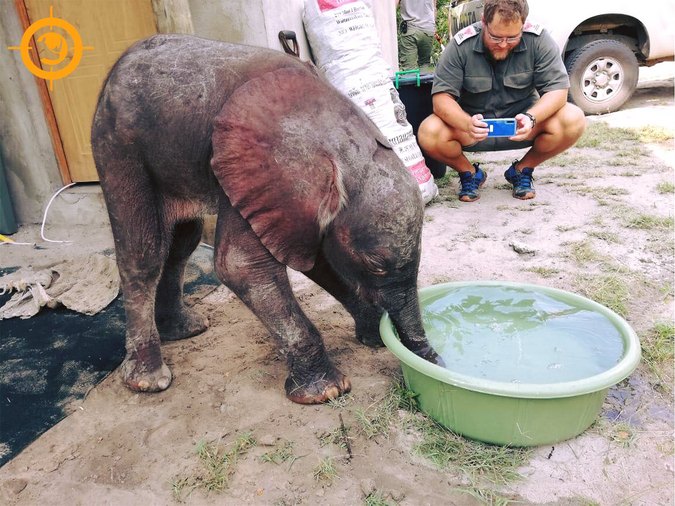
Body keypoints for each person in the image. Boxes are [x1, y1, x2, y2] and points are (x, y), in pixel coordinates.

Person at [418, 0, 586, 202]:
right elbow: (441, 99)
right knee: (429, 131)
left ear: (523, 25)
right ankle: (469, 174)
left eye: (513, 37)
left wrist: (532, 117)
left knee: (573, 118)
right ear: (484, 22)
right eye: (495, 37)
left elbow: (557, 91)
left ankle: (522, 170)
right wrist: (466, 123)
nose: (504, 44)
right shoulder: (461, 45)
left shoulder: (539, 40)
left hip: (522, 125)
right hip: (472, 129)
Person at [397, 0, 436, 73]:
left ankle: (410, 83)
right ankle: (425, 83)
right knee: (425, 66)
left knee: (409, 69)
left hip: (410, 29)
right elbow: (434, 7)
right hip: (428, 28)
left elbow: (393, 6)